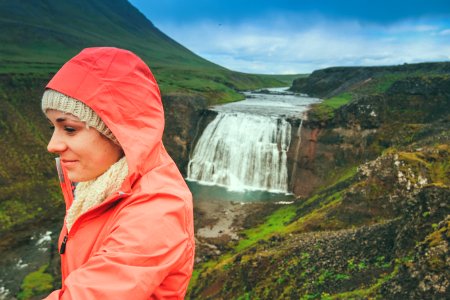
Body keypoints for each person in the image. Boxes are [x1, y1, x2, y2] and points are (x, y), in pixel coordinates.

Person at [41, 47, 195, 299]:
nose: (52, 145)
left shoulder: (159, 210)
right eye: (52, 127)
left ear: (118, 131)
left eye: (69, 128)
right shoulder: (97, 184)